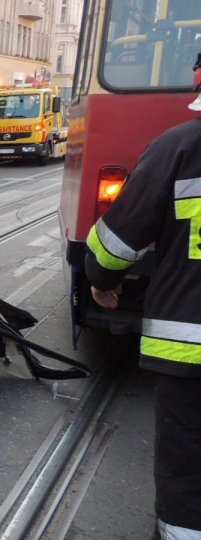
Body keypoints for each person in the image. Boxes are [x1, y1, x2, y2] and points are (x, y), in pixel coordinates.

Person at [85, 95, 201, 539]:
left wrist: (102, 279)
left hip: (190, 349)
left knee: (189, 470)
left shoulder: (179, 147)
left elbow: (117, 240)